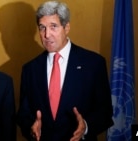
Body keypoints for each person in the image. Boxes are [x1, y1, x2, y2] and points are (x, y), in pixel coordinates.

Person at [16, 1, 113, 141]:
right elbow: (23, 114)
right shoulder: (30, 69)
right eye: (42, 27)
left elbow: (105, 112)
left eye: (53, 27)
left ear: (66, 27)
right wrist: (31, 127)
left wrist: (85, 126)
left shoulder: (93, 63)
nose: (47, 35)